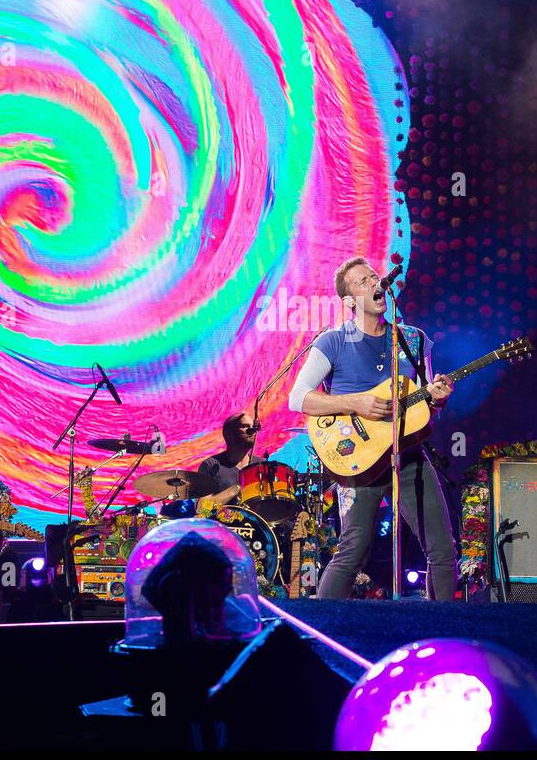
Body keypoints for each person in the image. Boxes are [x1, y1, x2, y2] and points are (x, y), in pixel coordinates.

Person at [288, 256, 458, 600]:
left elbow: (425, 404)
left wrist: (438, 399)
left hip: (408, 455)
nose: (374, 283)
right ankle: (324, 633)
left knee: (443, 551)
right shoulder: (332, 341)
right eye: (362, 281)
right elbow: (298, 399)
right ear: (349, 301)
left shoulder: (412, 339)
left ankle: (440, 635)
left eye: (373, 277)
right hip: (358, 461)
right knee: (352, 552)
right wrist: (355, 403)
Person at [196, 411, 263, 508]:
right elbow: (201, 509)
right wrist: (238, 487)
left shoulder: (261, 465)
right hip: (222, 522)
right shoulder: (211, 465)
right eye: (245, 426)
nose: (252, 430)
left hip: (254, 522)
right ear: (229, 434)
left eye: (253, 426)